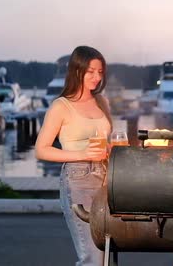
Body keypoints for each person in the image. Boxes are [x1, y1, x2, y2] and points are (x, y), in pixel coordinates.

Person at [35, 46, 112, 266]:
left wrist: (113, 148)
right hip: (79, 178)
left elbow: (106, 140)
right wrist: (82, 153)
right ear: (76, 70)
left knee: (108, 255)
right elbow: (41, 149)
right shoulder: (62, 106)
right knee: (93, 259)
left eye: (100, 72)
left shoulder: (102, 102)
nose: (97, 77)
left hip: (108, 179)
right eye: (91, 71)